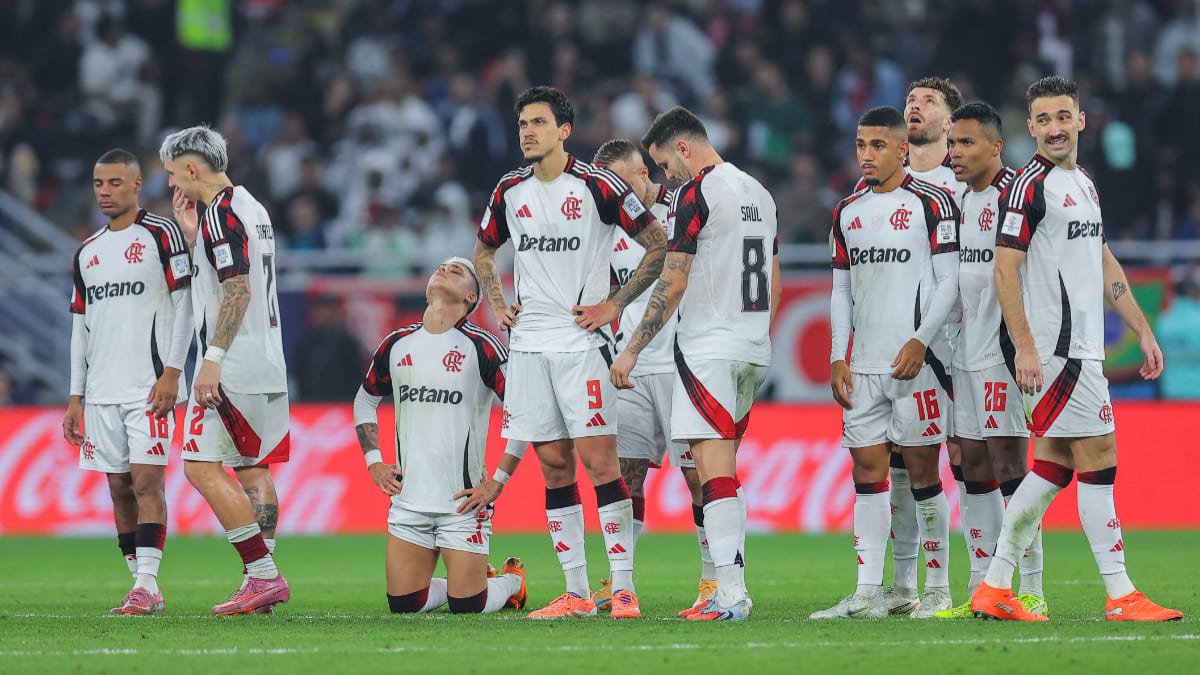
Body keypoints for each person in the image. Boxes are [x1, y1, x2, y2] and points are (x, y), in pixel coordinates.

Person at [970, 76, 1183, 622]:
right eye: (1043, 120)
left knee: (1053, 467)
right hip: (1057, 350)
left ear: (1081, 120)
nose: (1055, 128)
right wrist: (1025, 347)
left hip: (1081, 347)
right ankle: (1120, 594)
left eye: (1063, 117)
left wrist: (1142, 328)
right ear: (1031, 127)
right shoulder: (1028, 186)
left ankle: (994, 586)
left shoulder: (1083, 182)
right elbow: (1005, 269)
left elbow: (1103, 260)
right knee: (1100, 458)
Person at [473, 86, 668, 620]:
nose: (527, 132)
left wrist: (614, 304)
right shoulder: (510, 189)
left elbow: (657, 244)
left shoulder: (598, 184)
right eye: (522, 123)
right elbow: (484, 250)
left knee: (601, 464)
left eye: (538, 122)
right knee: (555, 468)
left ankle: (623, 589)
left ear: (564, 131)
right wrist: (497, 303)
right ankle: (577, 593)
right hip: (529, 347)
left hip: (581, 344)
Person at [611, 106, 780, 621]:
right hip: (753, 347)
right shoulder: (759, 192)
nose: (666, 176)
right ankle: (727, 589)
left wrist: (632, 348)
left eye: (665, 164)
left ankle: (730, 594)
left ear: (683, 149)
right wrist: (754, 334)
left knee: (713, 473)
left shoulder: (695, 192)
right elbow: (773, 277)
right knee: (721, 472)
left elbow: (674, 278)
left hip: (708, 349)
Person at [812, 106, 960, 620]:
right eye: (860, 145)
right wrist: (838, 354)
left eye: (877, 145)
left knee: (921, 472)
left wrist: (921, 341)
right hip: (865, 364)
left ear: (902, 149)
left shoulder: (933, 203)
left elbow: (949, 281)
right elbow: (841, 290)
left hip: (916, 362)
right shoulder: (846, 211)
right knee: (868, 474)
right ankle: (869, 592)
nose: (866, 155)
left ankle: (936, 589)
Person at [160, 126, 291, 615]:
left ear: (192, 169)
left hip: (232, 362)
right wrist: (195, 238)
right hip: (268, 359)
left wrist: (211, 360)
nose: (172, 183)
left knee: (199, 466)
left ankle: (263, 576)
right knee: (252, 468)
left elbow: (238, 289)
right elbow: (235, 272)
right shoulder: (252, 208)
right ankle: (261, 586)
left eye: (173, 174)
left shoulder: (219, 212)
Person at [353, 258, 527, 615]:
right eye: (441, 267)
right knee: (404, 605)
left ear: (470, 297)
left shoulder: (482, 346)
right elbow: (364, 400)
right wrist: (374, 462)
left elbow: (524, 412)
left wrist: (498, 481)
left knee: (468, 606)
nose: (444, 269)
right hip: (408, 502)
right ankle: (473, 578)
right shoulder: (397, 343)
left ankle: (512, 582)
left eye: (458, 271)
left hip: (462, 505)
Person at [64, 148, 191, 615]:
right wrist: (75, 395)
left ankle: (147, 583)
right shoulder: (86, 252)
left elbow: (185, 305)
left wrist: (172, 372)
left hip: (148, 387)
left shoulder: (161, 233)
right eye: (99, 184)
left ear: (137, 185)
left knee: (147, 483)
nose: (105, 192)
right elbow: (80, 328)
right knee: (118, 488)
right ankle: (141, 583)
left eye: (115, 183)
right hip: (101, 392)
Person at [589, 139, 713, 617]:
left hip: (683, 365)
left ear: (645, 173)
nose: (616, 192)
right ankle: (620, 582)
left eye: (623, 181)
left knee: (699, 478)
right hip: (630, 369)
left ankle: (713, 578)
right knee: (625, 476)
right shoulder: (605, 225)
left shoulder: (685, 210)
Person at [934, 103, 1046, 619]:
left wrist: (1026, 345)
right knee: (971, 466)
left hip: (1004, 353)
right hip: (965, 353)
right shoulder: (958, 201)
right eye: (952, 144)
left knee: (1011, 467)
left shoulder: (1015, 196)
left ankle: (1032, 588)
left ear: (995, 146)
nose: (955, 153)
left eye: (966, 143)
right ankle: (981, 586)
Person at [884, 77, 969, 616]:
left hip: (959, 344)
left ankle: (981, 581)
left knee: (968, 460)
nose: (915, 107)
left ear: (950, 122)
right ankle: (904, 587)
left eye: (929, 101)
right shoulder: (883, 185)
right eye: (911, 100)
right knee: (901, 460)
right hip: (898, 346)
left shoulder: (962, 186)